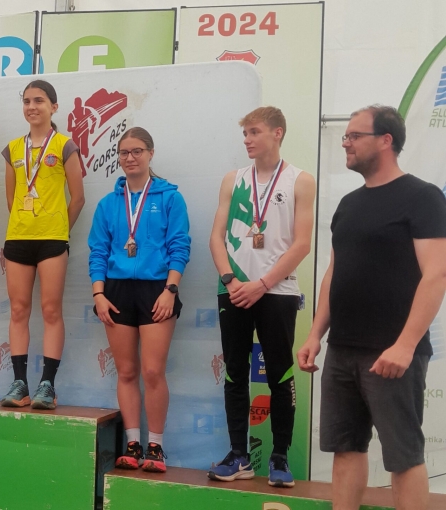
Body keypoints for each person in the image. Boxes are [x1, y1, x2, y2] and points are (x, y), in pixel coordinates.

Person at [298, 105, 446, 510]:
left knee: (404, 456)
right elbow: (334, 273)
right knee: (345, 448)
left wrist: (405, 345)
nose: (345, 143)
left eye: (354, 136)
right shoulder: (348, 204)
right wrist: (315, 334)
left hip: (392, 353)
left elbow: (437, 274)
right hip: (342, 350)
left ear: (385, 140)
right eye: (345, 136)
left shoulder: (422, 197)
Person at [207, 106, 315, 488]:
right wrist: (230, 279)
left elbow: (302, 244)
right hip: (233, 289)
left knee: (280, 374)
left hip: (277, 291)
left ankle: (279, 457)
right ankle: (239, 455)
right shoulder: (233, 179)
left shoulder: (301, 180)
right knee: (235, 372)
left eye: (254, 132)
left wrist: (263, 283)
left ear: (277, 133)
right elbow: (216, 238)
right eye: (245, 133)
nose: (247, 140)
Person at [88, 127, 190, 472]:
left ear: (150, 154)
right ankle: (133, 443)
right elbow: (98, 251)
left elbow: (180, 246)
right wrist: (99, 294)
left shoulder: (170, 198)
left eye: (137, 151)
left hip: (156, 289)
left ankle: (156, 447)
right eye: (124, 152)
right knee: (127, 371)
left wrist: (170, 290)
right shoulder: (108, 203)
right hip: (116, 291)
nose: (130, 158)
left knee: (152, 371)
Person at [0, 80, 85, 410]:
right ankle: (20, 384)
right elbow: (11, 199)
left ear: (53, 107)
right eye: (26, 101)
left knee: (50, 310)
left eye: (39, 100)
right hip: (18, 238)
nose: (32, 106)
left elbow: (78, 198)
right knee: (18, 310)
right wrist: (24, 225)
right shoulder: (12, 149)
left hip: (52, 240)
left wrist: (59, 229)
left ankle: (47, 384)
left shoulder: (64, 145)